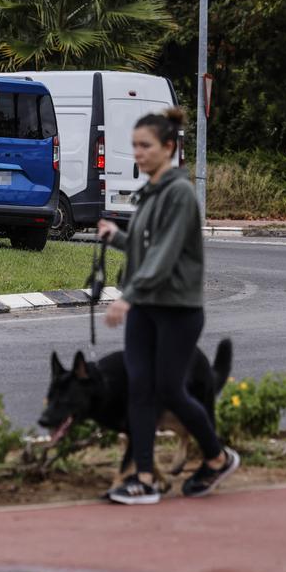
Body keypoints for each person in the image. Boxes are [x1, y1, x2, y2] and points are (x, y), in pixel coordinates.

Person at [97, 108, 239, 505]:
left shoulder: (178, 194)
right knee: (140, 390)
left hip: (176, 309)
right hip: (146, 305)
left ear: (169, 148)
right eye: (135, 147)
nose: (138, 154)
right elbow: (145, 247)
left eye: (146, 146)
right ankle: (145, 478)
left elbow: (163, 256)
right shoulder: (151, 192)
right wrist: (116, 237)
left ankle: (217, 456)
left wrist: (126, 296)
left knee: (169, 390)